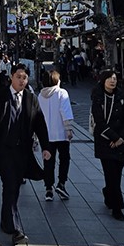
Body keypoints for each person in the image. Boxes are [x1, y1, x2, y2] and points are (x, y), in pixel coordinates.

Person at [0, 63, 51, 246]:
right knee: (11, 185)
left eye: (24, 77)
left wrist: (46, 147)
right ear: (11, 77)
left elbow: (40, 123)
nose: (22, 80)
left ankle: (6, 221)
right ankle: (16, 229)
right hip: (3, 150)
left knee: (12, 188)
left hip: (22, 151)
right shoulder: (0, 96)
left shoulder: (31, 98)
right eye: (19, 76)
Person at [90, 70, 124, 221]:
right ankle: (117, 208)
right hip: (105, 141)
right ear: (103, 81)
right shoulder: (98, 98)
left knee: (117, 175)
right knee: (110, 174)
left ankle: (109, 193)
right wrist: (113, 137)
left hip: (120, 142)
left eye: (114, 79)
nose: (112, 81)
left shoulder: (121, 97)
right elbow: (99, 122)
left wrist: (121, 138)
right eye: (109, 79)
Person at [37, 65, 75, 201]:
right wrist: (69, 128)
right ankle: (61, 183)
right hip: (61, 134)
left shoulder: (40, 96)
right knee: (64, 159)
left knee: (48, 161)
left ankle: (48, 189)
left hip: (46, 135)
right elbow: (65, 111)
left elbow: (37, 116)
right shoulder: (61, 93)